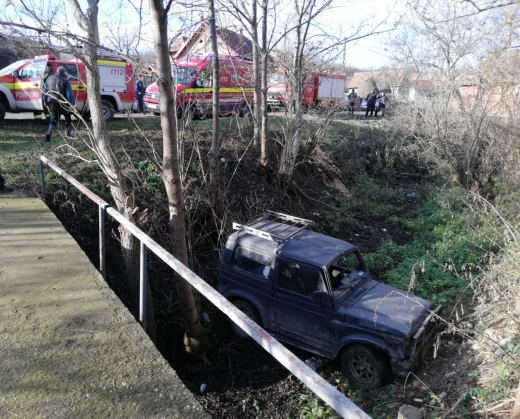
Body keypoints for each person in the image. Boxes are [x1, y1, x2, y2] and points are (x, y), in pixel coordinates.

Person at [43, 66, 75, 142]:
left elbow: (45, 91)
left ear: (57, 71)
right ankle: (68, 135)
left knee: (53, 119)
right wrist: (73, 103)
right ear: (64, 73)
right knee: (68, 119)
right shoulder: (65, 80)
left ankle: (49, 134)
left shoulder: (49, 78)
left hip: (52, 102)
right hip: (63, 102)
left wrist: (45, 101)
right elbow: (69, 94)